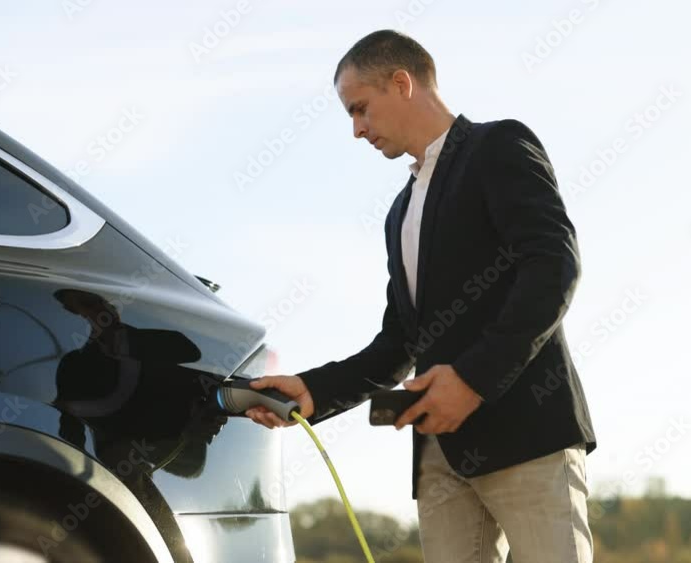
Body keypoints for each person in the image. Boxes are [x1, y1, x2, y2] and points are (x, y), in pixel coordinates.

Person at [246, 29, 597, 562]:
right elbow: (398, 343)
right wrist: (311, 391)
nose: (357, 130)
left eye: (360, 109)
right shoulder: (399, 212)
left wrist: (473, 381)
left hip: (527, 436)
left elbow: (554, 265)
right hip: (439, 459)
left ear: (402, 83)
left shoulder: (497, 145)